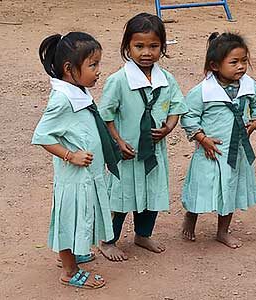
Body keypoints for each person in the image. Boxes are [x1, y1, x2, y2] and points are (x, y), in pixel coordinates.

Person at [32, 32, 120, 289]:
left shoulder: (77, 91)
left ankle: (76, 250)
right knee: (70, 218)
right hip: (74, 178)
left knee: (83, 215)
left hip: (87, 176)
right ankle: (69, 270)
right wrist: (71, 155)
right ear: (69, 69)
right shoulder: (62, 99)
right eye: (93, 65)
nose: (98, 71)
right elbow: (42, 136)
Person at [98, 13, 187, 261]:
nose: (146, 52)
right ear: (127, 47)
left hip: (154, 153)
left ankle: (142, 235)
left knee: (151, 194)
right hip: (127, 153)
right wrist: (117, 140)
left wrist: (169, 128)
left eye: (153, 46)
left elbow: (176, 107)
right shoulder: (118, 81)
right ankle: (108, 241)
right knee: (119, 197)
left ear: (163, 48)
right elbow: (106, 115)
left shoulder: (166, 79)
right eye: (139, 46)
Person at [180, 32, 256, 248]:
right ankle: (191, 217)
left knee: (230, 187)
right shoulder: (202, 91)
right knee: (202, 186)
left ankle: (222, 231)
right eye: (234, 62)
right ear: (215, 66)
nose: (240, 67)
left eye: (244, 61)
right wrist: (202, 138)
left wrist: (255, 123)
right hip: (210, 150)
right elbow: (188, 115)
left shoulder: (248, 86)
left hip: (235, 152)